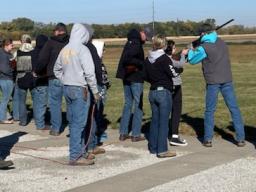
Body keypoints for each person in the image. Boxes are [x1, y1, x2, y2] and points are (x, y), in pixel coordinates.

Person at [187, 23, 245, 147]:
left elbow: (192, 60)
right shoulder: (222, 43)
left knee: (209, 111)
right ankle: (241, 138)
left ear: (203, 34)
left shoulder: (204, 47)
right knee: (234, 109)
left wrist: (191, 49)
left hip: (213, 81)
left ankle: (208, 139)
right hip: (227, 79)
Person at [54, 23, 99, 166]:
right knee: (79, 124)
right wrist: (95, 91)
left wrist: (66, 80)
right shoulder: (83, 49)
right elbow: (90, 73)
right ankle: (75, 156)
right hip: (80, 90)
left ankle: (81, 152)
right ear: (83, 34)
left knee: (73, 122)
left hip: (67, 89)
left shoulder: (65, 49)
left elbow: (56, 70)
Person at [144, 35, 179, 158]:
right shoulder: (164, 58)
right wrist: (179, 70)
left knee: (155, 121)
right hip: (164, 92)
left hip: (152, 91)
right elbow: (173, 73)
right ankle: (162, 150)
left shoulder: (147, 58)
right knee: (164, 122)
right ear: (164, 45)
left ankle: (153, 147)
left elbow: (145, 75)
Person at [36, 23, 69, 136]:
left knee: (55, 103)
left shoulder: (50, 42)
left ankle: (55, 128)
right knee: (71, 103)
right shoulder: (71, 42)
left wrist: (37, 70)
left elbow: (42, 59)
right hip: (70, 77)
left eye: (54, 30)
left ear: (58, 31)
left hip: (54, 77)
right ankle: (74, 126)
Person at [116, 28, 146, 142]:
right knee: (138, 105)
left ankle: (123, 133)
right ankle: (136, 134)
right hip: (135, 77)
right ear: (141, 33)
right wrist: (141, 63)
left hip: (126, 76)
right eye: (145, 36)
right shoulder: (136, 43)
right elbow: (129, 59)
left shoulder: (129, 41)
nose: (146, 39)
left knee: (128, 103)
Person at [165, 40, 188, 146]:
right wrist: (183, 55)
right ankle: (174, 135)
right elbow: (180, 64)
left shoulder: (163, 58)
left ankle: (167, 133)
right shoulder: (169, 59)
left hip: (167, 86)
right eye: (174, 48)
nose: (175, 49)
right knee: (176, 110)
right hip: (175, 86)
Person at [15, 34, 34, 126]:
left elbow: (13, 63)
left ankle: (23, 121)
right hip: (32, 77)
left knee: (21, 101)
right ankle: (38, 121)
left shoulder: (18, 51)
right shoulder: (34, 51)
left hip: (21, 77)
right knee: (36, 100)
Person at [31, 34, 49, 130]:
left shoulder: (33, 52)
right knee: (42, 103)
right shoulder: (43, 52)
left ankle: (38, 121)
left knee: (37, 103)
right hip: (42, 80)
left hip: (35, 80)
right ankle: (40, 124)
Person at [0, 38, 15, 124]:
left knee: (4, 99)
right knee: (5, 100)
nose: (12, 47)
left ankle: (6, 115)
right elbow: (4, 68)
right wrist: (12, 71)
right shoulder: (4, 54)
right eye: (11, 45)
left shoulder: (6, 53)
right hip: (6, 79)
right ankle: (2, 118)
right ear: (6, 45)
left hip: (3, 78)